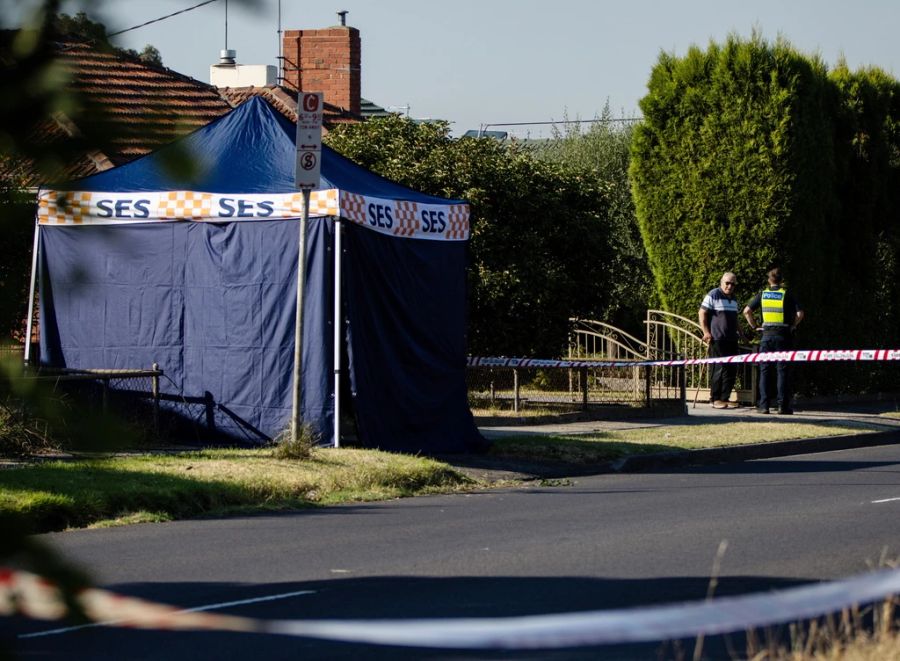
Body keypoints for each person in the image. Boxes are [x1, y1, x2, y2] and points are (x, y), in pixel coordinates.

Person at [742, 267, 804, 414]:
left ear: (769, 280)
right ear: (781, 281)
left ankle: (764, 406)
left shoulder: (763, 295)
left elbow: (746, 311)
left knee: (765, 371)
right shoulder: (787, 294)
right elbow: (800, 313)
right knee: (782, 371)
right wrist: (793, 325)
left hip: (766, 336)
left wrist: (755, 326)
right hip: (783, 335)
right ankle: (783, 406)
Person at [699, 272, 741, 409]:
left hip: (731, 339)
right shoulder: (713, 294)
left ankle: (725, 398)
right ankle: (714, 398)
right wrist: (705, 332)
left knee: (731, 369)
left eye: (733, 284)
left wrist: (743, 336)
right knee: (718, 368)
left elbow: (736, 319)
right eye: (727, 283)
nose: (730, 286)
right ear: (721, 282)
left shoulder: (734, 298)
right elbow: (702, 313)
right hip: (717, 338)